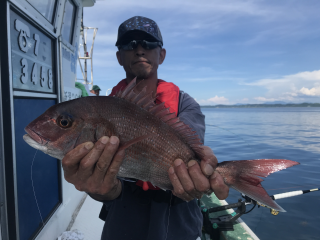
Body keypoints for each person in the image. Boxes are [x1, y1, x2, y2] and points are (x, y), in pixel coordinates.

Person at [62, 16, 229, 240]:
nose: (140, 49)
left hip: (179, 223)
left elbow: (189, 155)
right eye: (130, 44)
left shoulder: (185, 105)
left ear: (161, 54)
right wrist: (96, 187)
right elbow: (110, 189)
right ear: (119, 56)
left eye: (149, 44)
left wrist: (205, 172)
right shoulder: (104, 110)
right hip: (122, 223)